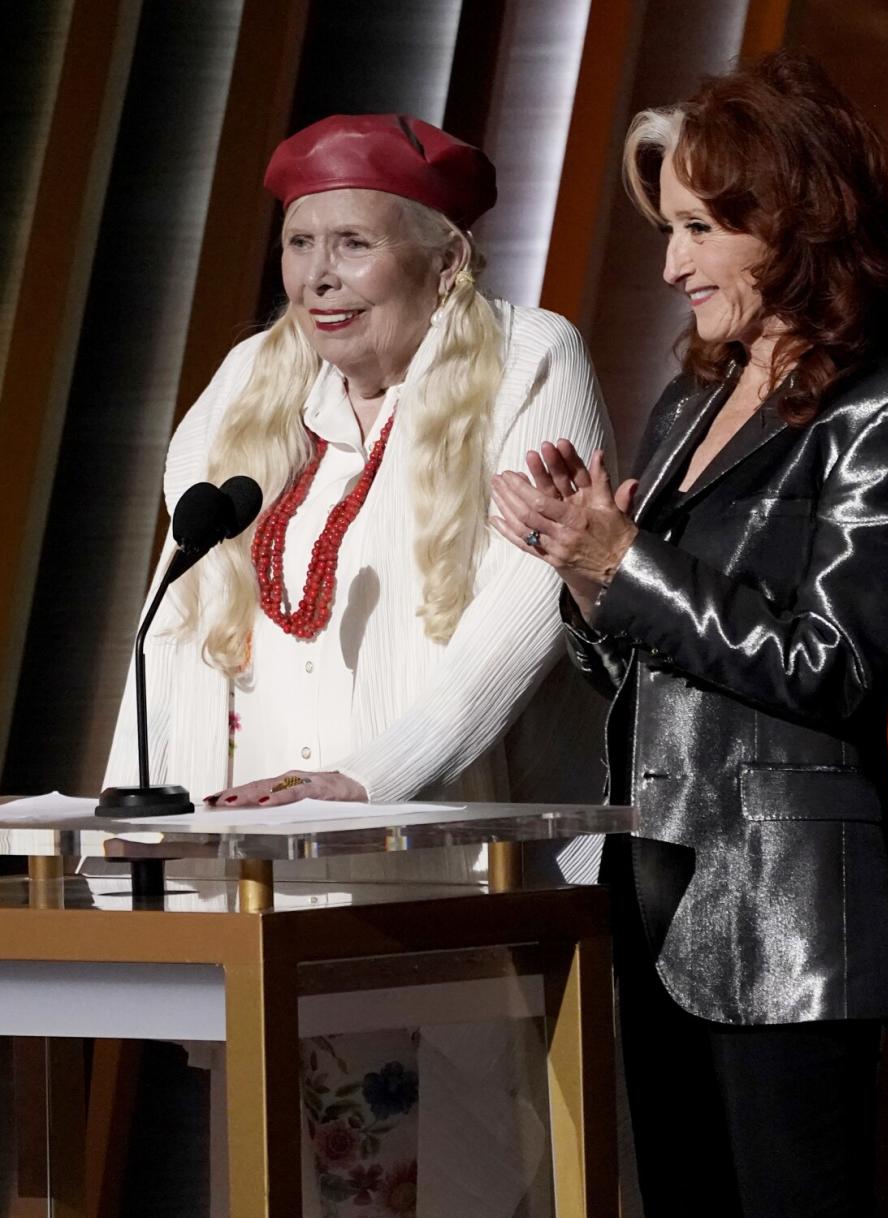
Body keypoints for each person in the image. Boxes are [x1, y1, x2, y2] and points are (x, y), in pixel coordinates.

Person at [103, 113, 610, 1217]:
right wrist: (140, 834)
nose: (317, 279)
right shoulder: (251, 382)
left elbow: (529, 606)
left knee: (477, 1165)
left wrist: (375, 778)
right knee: (290, 1170)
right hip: (265, 866)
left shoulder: (533, 354)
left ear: (444, 259)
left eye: (353, 244)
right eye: (299, 244)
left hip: (443, 845)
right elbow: (182, 607)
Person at [490, 51, 888, 1218]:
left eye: (700, 228)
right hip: (655, 893)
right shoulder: (694, 398)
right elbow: (639, 663)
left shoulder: (887, 413)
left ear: (790, 218)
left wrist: (625, 564)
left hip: (785, 924)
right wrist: (584, 569)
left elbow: (832, 664)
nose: (671, 263)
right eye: (671, 227)